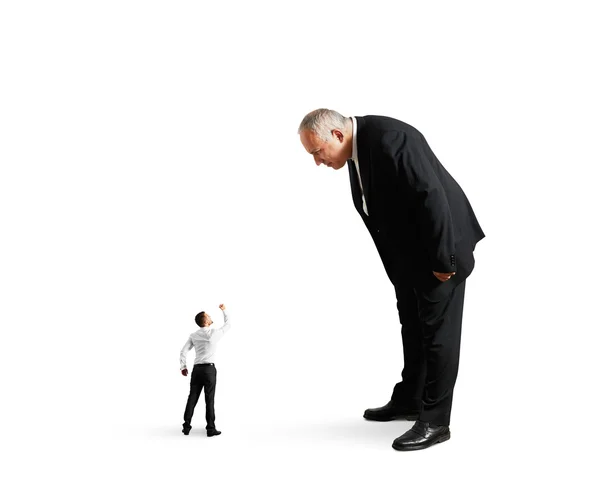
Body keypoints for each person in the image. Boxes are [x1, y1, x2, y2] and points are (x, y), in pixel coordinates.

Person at [298, 109, 485, 451]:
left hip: (440, 253)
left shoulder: (389, 138)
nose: (317, 161)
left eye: (317, 151)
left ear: (338, 135)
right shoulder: (357, 148)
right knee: (412, 327)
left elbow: (432, 196)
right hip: (410, 259)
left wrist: (445, 260)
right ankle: (410, 399)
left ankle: (435, 421)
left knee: (438, 337)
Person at [180, 303, 231, 437]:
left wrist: (183, 367)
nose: (210, 317)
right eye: (208, 316)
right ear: (206, 321)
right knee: (209, 399)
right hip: (209, 370)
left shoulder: (193, 335)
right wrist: (224, 310)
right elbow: (228, 324)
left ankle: (186, 426)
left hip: (197, 370)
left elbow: (183, 351)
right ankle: (210, 428)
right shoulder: (214, 333)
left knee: (192, 397)